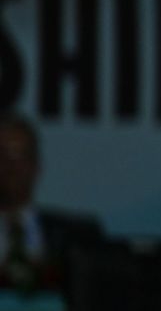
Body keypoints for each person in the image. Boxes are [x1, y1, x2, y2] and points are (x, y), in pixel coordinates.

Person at [0, 112, 103, 293]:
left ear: (36, 165)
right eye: (3, 155)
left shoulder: (75, 237)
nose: (11, 167)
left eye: (20, 156)